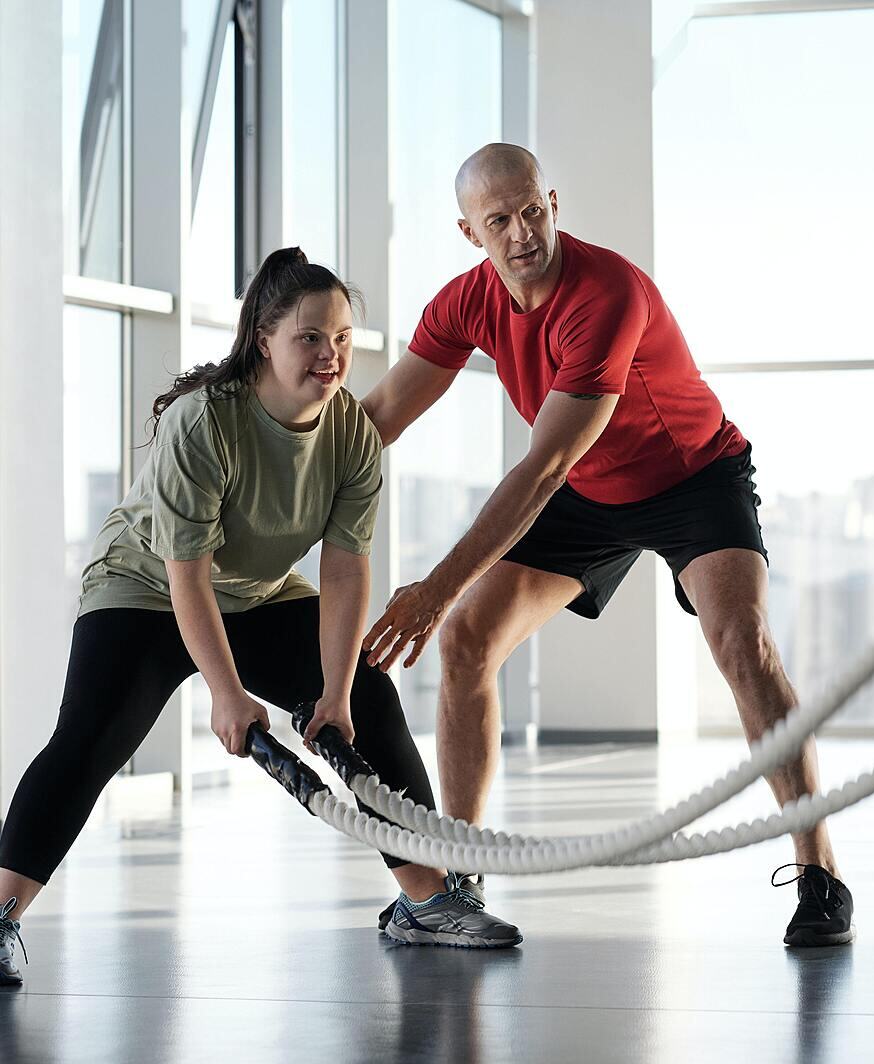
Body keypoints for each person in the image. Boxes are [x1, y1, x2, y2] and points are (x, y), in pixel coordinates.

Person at [359, 144, 853, 948]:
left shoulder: (607, 293)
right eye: (498, 221)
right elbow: (376, 418)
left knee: (743, 644)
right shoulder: (463, 303)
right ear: (468, 233)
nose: (522, 232)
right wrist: (269, 470)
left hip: (691, 477)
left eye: (531, 210)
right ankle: (456, 884)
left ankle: (820, 873)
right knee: (468, 641)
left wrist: (435, 584)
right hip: (590, 491)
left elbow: (545, 464)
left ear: (552, 202)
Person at [0, 249, 520, 987]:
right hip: (145, 586)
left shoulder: (351, 436)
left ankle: (427, 904)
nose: (330, 354)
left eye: (341, 337)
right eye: (310, 337)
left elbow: (344, 569)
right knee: (92, 736)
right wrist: (226, 692)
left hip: (259, 591)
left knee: (370, 699)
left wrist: (335, 691)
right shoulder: (204, 422)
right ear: (263, 339)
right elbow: (187, 575)